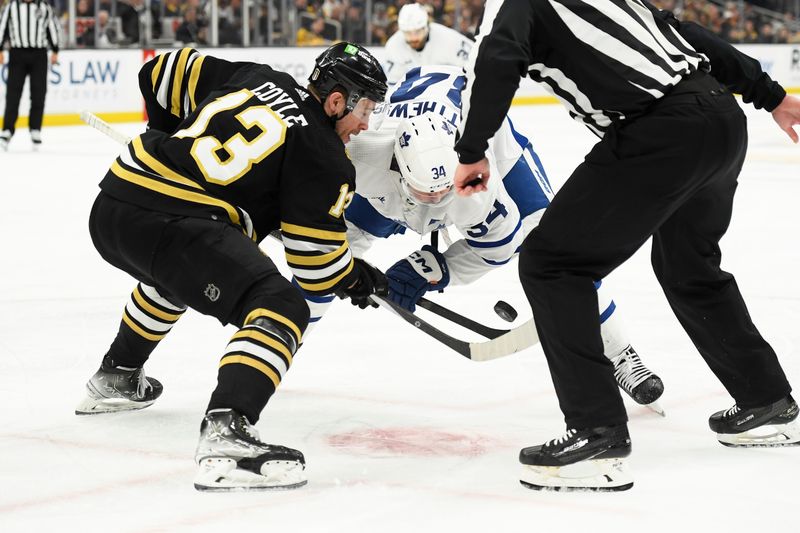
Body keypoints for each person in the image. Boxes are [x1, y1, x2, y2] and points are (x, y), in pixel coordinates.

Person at [453, 0, 800, 492]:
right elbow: (692, 36)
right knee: (689, 266)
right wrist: (770, 96)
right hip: (719, 118)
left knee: (552, 264)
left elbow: (498, 57)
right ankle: (769, 403)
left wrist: (472, 150)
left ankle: (598, 437)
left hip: (659, 130)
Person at [75, 43, 389, 491]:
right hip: (174, 222)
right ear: (337, 100)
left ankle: (118, 376)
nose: (365, 124)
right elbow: (315, 267)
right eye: (366, 108)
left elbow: (161, 71)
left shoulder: (260, 74)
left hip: (114, 205)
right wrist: (355, 277)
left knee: (176, 276)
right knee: (282, 306)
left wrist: (173, 137)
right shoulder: (323, 154)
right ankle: (228, 434)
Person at [300, 64, 665, 411]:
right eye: (427, 195)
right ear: (397, 168)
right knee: (330, 254)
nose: (436, 206)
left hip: (495, 145)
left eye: (442, 194)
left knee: (555, 247)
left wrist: (434, 269)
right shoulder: (360, 155)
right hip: (406, 153)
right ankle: (280, 337)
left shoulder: (473, 183)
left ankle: (621, 354)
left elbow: (500, 245)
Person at [0, 0, 60, 151]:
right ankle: (7, 130)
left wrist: (55, 50)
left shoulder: (44, 7)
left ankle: (35, 129)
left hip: (39, 54)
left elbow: (52, 28)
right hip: (17, 53)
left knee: (38, 93)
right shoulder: (11, 7)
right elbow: (2, 27)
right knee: (13, 94)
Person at [382, 3, 473, 84]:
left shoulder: (450, 39)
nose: (413, 38)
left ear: (426, 26)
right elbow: (393, 84)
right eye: (408, 33)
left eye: (418, 32)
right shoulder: (393, 46)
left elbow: (474, 65)